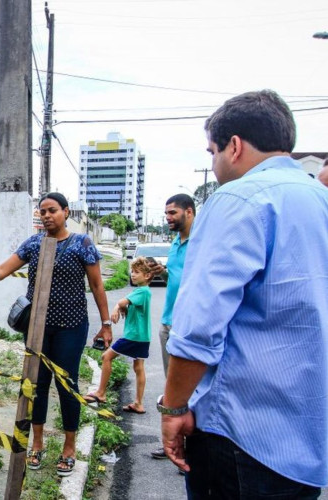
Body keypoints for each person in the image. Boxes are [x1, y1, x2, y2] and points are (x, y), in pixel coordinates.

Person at [161, 90, 328, 497]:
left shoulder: (237, 200)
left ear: (234, 146)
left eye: (212, 152)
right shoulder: (320, 200)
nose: (214, 164)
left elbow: (199, 327)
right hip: (307, 437)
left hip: (239, 433)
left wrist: (173, 408)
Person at [0, 192, 113, 477]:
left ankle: (69, 447)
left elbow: (97, 286)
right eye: (42, 211)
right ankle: (37, 443)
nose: (46, 215)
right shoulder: (34, 243)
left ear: (66, 212)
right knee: (36, 385)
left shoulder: (82, 244)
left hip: (71, 326)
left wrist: (106, 324)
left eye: (52, 210)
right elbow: (2, 271)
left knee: (67, 386)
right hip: (36, 327)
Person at [148, 193, 196, 461]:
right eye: (166, 214)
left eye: (172, 213)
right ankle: (172, 444)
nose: (167, 218)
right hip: (168, 323)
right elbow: (176, 277)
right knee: (171, 388)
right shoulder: (176, 242)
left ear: (189, 212)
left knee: (191, 389)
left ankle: (190, 449)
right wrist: (161, 271)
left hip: (188, 325)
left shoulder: (202, 242)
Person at [84, 257, 153, 415]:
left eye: (137, 272)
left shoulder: (142, 291)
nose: (132, 275)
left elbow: (122, 302)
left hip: (133, 336)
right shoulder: (143, 292)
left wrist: (116, 308)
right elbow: (130, 307)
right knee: (138, 367)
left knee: (106, 357)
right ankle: (138, 403)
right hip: (143, 336)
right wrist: (124, 308)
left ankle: (101, 392)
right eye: (132, 272)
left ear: (147, 275)